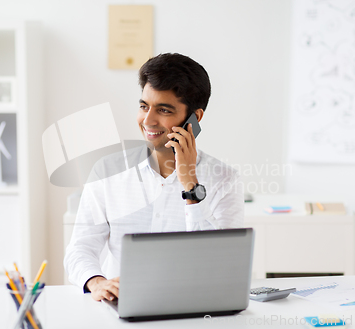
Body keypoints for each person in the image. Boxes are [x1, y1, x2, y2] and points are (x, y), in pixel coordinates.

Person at [64, 53, 244, 302]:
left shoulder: (224, 179)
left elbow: (222, 265)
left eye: (164, 110)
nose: (148, 120)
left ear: (195, 118)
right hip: (121, 305)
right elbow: (80, 248)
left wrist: (190, 183)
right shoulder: (108, 171)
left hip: (192, 308)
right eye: (143, 106)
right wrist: (96, 282)